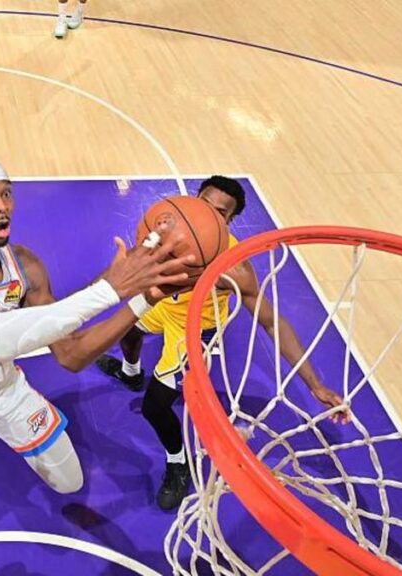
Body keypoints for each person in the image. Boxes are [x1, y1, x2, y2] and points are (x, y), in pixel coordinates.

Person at [0, 152, 195, 562]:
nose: (2, 205)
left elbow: (69, 354)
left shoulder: (26, 266)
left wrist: (140, 301)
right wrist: (109, 289)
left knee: (70, 481)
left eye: (6, 194)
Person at [95, 176, 350, 511]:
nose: (207, 215)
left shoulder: (234, 268)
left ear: (229, 221)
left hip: (194, 328)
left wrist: (315, 384)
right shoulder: (172, 223)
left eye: (220, 213)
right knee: (128, 331)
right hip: (163, 306)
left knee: (155, 406)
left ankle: (177, 461)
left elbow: (271, 321)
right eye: (204, 204)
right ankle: (130, 373)